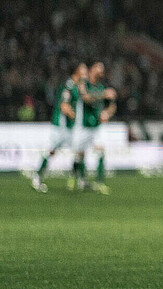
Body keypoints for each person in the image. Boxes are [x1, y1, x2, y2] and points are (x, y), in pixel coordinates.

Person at [32, 63, 87, 193]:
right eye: (83, 70)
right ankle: (37, 177)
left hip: (70, 127)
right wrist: (75, 116)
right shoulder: (69, 85)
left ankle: (80, 180)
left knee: (79, 150)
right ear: (77, 71)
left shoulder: (78, 86)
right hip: (61, 126)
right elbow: (64, 106)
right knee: (52, 150)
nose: (86, 72)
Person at [75, 62, 116, 194]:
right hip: (83, 125)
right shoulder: (84, 84)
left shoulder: (101, 86)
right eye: (98, 70)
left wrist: (107, 113)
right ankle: (80, 179)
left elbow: (112, 105)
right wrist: (103, 94)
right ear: (92, 70)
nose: (100, 73)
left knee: (100, 151)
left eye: (102, 71)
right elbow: (86, 98)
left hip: (96, 126)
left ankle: (99, 182)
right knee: (80, 155)